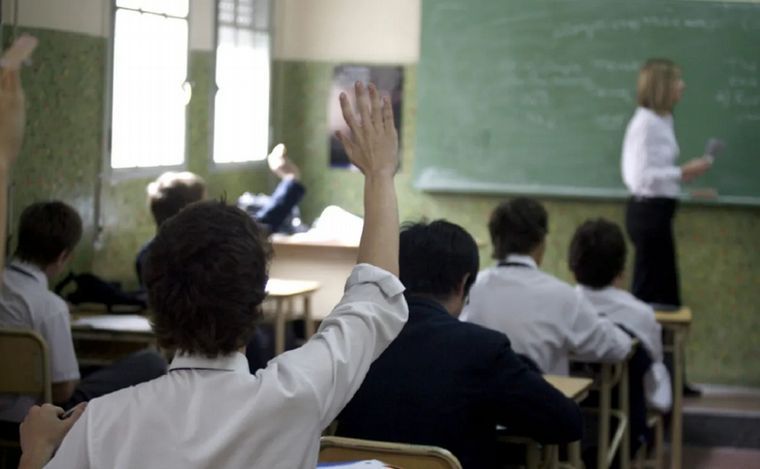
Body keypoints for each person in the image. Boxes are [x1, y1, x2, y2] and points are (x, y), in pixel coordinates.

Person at [19, 81, 407, 469]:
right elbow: (374, 299)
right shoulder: (298, 394)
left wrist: (36, 450)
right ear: (258, 299)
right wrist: (379, 174)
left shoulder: (99, 425)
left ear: (155, 299)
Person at [337, 220, 583, 468]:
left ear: (397, 275)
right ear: (463, 284)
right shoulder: (482, 350)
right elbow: (566, 423)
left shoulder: (352, 339)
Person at [0, 202, 167, 430]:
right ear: (63, 256)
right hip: (37, 418)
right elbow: (62, 391)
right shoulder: (50, 307)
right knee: (152, 362)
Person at [461, 197, 632, 375]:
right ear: (541, 242)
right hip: (536, 392)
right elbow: (617, 347)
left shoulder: (468, 289)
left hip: (474, 391)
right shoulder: (562, 295)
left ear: (494, 240)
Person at [135, 143, 305, 287]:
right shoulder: (213, 253)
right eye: (206, 202)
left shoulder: (147, 256)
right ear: (193, 211)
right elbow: (261, 224)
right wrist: (290, 178)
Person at [569, 218, 672, 450]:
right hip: (624, 426)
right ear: (621, 270)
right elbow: (653, 367)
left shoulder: (561, 308)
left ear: (573, 267)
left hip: (569, 424)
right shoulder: (641, 314)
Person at [622, 58, 712, 307]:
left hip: (659, 213)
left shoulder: (663, 119)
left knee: (665, 296)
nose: (683, 86)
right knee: (651, 297)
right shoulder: (646, 123)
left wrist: (681, 174)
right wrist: (680, 171)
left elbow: (658, 170)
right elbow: (638, 177)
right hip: (648, 214)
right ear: (661, 86)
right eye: (676, 80)